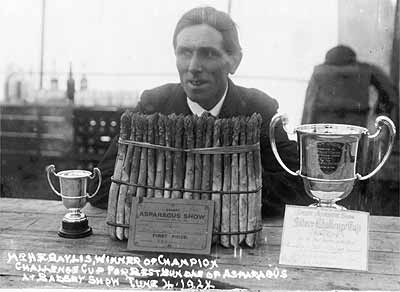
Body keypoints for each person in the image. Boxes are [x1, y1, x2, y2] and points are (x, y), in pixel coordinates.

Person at [89, 6, 311, 217]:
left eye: (208, 54)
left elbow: (298, 185)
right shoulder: (153, 107)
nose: (194, 66)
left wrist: (192, 189)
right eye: (185, 52)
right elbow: (101, 186)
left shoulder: (258, 110)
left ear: (234, 61)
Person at [301, 45, 398, 128]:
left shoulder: (320, 71)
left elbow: (309, 104)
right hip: (356, 122)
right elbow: (390, 93)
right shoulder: (366, 69)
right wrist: (380, 111)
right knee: (355, 148)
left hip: (325, 122)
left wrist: (305, 128)